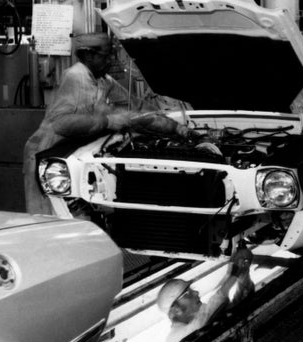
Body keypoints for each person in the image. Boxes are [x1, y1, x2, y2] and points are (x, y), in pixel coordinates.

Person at [22, 32, 185, 214]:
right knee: (49, 214)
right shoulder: (75, 77)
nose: (111, 61)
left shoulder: (104, 80)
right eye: (106, 56)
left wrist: (172, 122)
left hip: (75, 150)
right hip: (49, 151)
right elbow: (62, 123)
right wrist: (108, 120)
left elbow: (135, 105)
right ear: (88, 55)